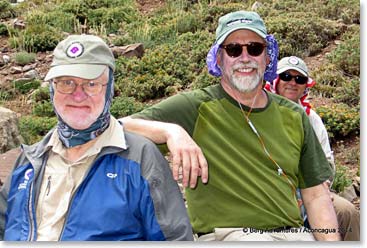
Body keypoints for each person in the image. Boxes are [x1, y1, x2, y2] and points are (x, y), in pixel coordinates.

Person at [121, 11, 341, 241]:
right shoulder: (196, 106)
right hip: (229, 236)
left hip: (293, 236)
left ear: (268, 56)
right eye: (234, 49)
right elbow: (119, 126)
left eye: (254, 48)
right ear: (218, 58)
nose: (245, 57)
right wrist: (170, 131)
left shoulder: (295, 114)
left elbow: (316, 195)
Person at [0, 34, 193, 241]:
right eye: (66, 82)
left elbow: (176, 239)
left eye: (91, 84)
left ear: (109, 89)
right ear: (52, 89)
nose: (78, 95)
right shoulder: (29, 161)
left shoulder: (140, 159)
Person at [264, 56, 360, 241]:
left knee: (346, 212)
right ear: (275, 80)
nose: (292, 82)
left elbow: (327, 162)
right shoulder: (258, 111)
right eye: (286, 76)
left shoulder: (312, 119)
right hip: (270, 191)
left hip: (310, 188)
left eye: (299, 79)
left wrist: (319, 188)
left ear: (305, 86)